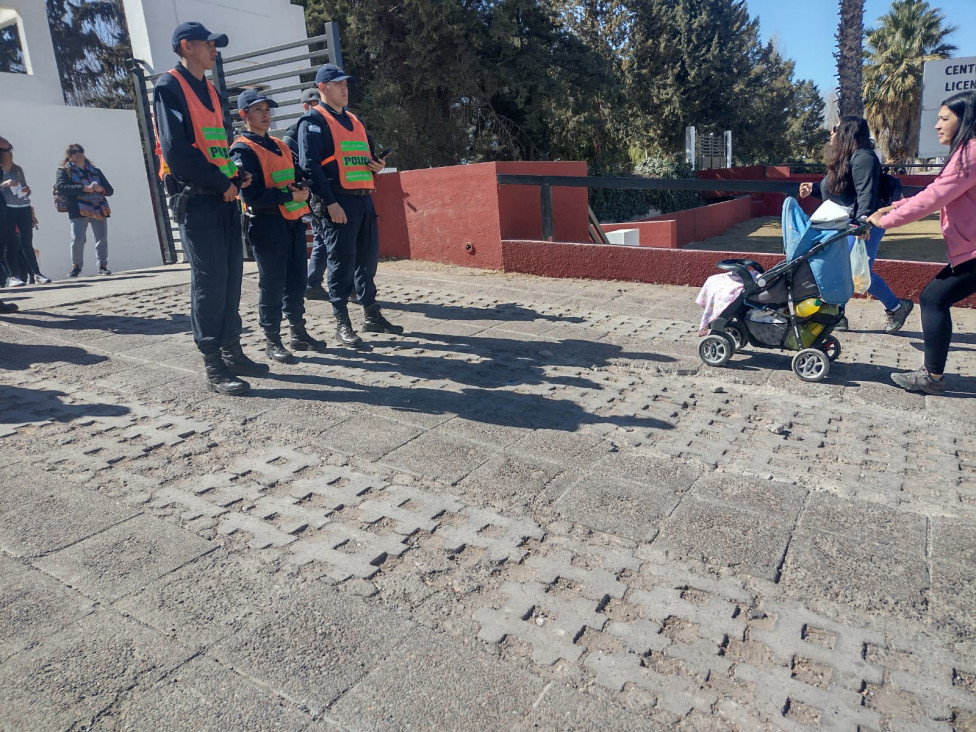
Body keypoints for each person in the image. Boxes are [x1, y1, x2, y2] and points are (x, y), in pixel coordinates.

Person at [154, 21, 267, 396]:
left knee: (232, 275)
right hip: (197, 199)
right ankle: (212, 362)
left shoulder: (214, 93)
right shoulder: (169, 86)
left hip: (222, 197)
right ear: (187, 47)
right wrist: (224, 183)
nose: (214, 49)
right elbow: (177, 151)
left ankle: (232, 349)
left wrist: (236, 175)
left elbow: (216, 148)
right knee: (210, 280)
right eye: (208, 43)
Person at [867, 91, 976, 394]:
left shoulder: (970, 154)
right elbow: (935, 192)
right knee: (935, 298)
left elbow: (932, 199)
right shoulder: (965, 154)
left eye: (944, 118)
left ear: (964, 120)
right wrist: (893, 208)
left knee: (933, 299)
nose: (936, 125)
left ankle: (933, 378)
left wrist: (884, 220)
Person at [297, 63, 402, 346]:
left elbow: (366, 157)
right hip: (338, 202)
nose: (345, 88)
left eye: (346, 84)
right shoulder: (312, 122)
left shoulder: (356, 121)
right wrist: (330, 204)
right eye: (338, 84)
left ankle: (371, 314)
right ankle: (342, 322)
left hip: (363, 201)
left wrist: (378, 165)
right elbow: (310, 168)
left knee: (367, 263)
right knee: (341, 264)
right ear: (322, 88)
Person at [230, 89, 328, 363]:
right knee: (272, 284)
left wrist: (302, 187)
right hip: (266, 224)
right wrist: (288, 195)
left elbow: (294, 175)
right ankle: (272, 340)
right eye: (258, 110)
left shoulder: (280, 144)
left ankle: (298, 332)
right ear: (244, 115)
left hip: (293, 222)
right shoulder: (242, 149)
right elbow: (249, 194)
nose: (265, 114)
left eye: (267, 109)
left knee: (297, 282)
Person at [799, 116, 913, 333]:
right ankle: (838, 315)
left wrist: (863, 225)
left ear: (848, 132)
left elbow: (865, 193)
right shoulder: (845, 157)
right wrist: (813, 189)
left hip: (866, 222)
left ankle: (895, 307)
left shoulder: (864, 158)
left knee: (855, 271)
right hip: (847, 221)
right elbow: (840, 191)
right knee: (845, 268)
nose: (832, 132)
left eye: (836, 128)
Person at [282, 87, 331, 302]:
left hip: (324, 191)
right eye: (314, 103)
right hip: (310, 194)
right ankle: (312, 283)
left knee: (324, 236)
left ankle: (313, 283)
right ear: (305, 106)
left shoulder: (325, 126)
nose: (319, 107)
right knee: (323, 235)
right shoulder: (295, 132)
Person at [54, 144, 113, 278]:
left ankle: (102, 266)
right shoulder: (64, 170)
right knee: (77, 239)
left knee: (101, 239)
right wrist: (84, 188)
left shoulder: (95, 170)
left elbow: (109, 190)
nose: (78, 154)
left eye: (80, 151)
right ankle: (76, 266)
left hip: (99, 207)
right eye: (74, 152)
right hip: (78, 209)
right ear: (69, 155)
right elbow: (62, 187)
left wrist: (101, 189)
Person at [0, 137, 49, 285]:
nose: (10, 153)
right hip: (8, 208)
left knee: (27, 241)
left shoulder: (17, 169)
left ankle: (37, 274)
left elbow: (25, 187)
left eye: (10, 150)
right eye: (7, 150)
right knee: (10, 243)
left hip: (24, 207)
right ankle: (14, 276)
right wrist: (5, 184)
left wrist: (27, 190)